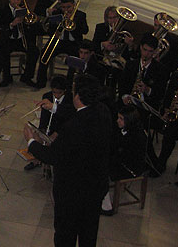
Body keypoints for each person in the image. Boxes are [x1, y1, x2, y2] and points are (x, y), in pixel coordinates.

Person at [24, 74, 113, 247]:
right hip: (95, 187)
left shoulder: (73, 127)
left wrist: (31, 141)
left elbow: (52, 157)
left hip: (71, 192)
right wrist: (53, 107)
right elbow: (77, 110)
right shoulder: (103, 111)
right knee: (89, 233)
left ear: (77, 95)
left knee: (66, 235)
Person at [101, 105, 148, 215]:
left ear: (129, 120)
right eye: (118, 117)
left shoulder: (137, 135)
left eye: (121, 119)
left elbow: (125, 155)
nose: (118, 121)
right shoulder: (122, 130)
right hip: (122, 161)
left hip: (130, 167)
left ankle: (106, 206)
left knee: (100, 170)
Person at [36, 0, 88, 90]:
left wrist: (73, 24)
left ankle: (68, 83)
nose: (66, 10)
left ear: (74, 5)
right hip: (59, 41)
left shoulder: (81, 15)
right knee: (44, 53)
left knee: (75, 58)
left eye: (69, 7)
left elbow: (85, 30)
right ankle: (40, 81)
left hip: (73, 42)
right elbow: (49, 29)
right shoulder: (57, 14)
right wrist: (56, 29)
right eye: (63, 7)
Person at [24, 75, 75, 171]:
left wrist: (56, 133)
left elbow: (68, 120)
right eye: (54, 92)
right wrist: (42, 129)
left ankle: (47, 162)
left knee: (54, 143)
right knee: (34, 134)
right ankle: (38, 159)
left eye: (59, 93)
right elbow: (44, 116)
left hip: (62, 129)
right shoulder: (47, 96)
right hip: (50, 127)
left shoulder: (70, 99)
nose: (56, 95)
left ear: (64, 91)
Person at [0, 0, 39, 87]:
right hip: (8, 39)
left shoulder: (24, 10)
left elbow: (31, 28)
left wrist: (26, 22)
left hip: (20, 40)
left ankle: (27, 77)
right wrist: (11, 24)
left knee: (35, 51)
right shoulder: (2, 10)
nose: (16, 2)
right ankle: (7, 77)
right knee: (3, 51)